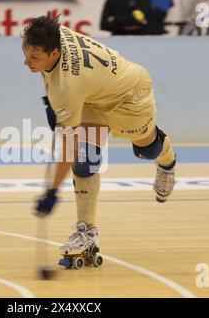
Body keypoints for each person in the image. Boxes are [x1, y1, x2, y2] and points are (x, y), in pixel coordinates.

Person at [22, 14, 176, 262]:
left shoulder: (67, 87)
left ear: (53, 53)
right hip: (93, 95)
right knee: (85, 161)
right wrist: (56, 108)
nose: (26, 62)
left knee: (147, 149)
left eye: (34, 58)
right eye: (26, 53)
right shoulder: (52, 34)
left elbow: (66, 149)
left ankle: (168, 163)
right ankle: (87, 231)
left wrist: (52, 191)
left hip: (129, 94)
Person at [100, 0, 170, 35]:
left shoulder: (143, 0)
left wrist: (115, 20)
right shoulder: (112, 0)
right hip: (118, 41)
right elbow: (104, 24)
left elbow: (137, 19)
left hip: (141, 39)